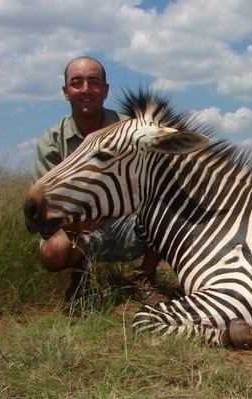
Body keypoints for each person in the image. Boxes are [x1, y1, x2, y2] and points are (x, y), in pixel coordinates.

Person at [34, 56, 166, 305]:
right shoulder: (51, 141)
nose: (85, 89)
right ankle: (81, 276)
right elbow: (48, 203)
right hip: (77, 226)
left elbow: (152, 183)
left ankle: (144, 276)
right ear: (66, 91)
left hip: (127, 220)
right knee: (52, 252)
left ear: (105, 90)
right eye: (77, 82)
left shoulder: (128, 130)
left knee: (167, 211)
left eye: (94, 82)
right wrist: (76, 225)